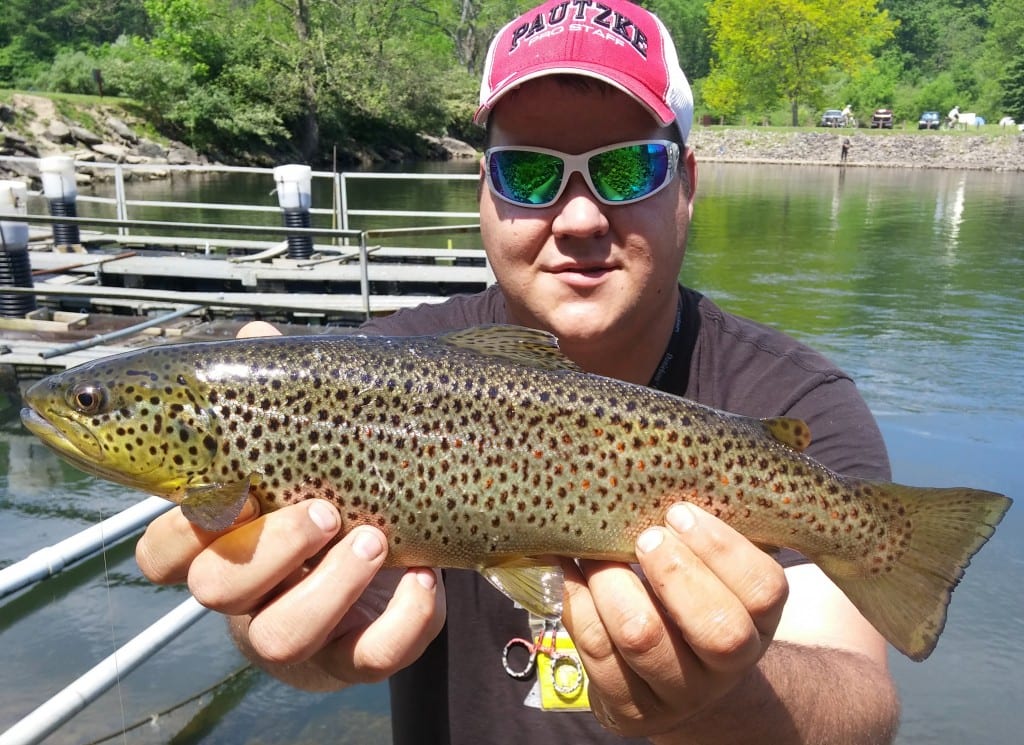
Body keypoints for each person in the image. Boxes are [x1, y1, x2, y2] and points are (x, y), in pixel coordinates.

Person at [135, 1, 900, 743]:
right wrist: (273, 611)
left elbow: (860, 702)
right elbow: (304, 608)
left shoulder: (795, 398)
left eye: (629, 168)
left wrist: (722, 700)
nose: (578, 218)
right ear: (483, 193)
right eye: (530, 174)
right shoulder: (373, 375)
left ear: (687, 185)